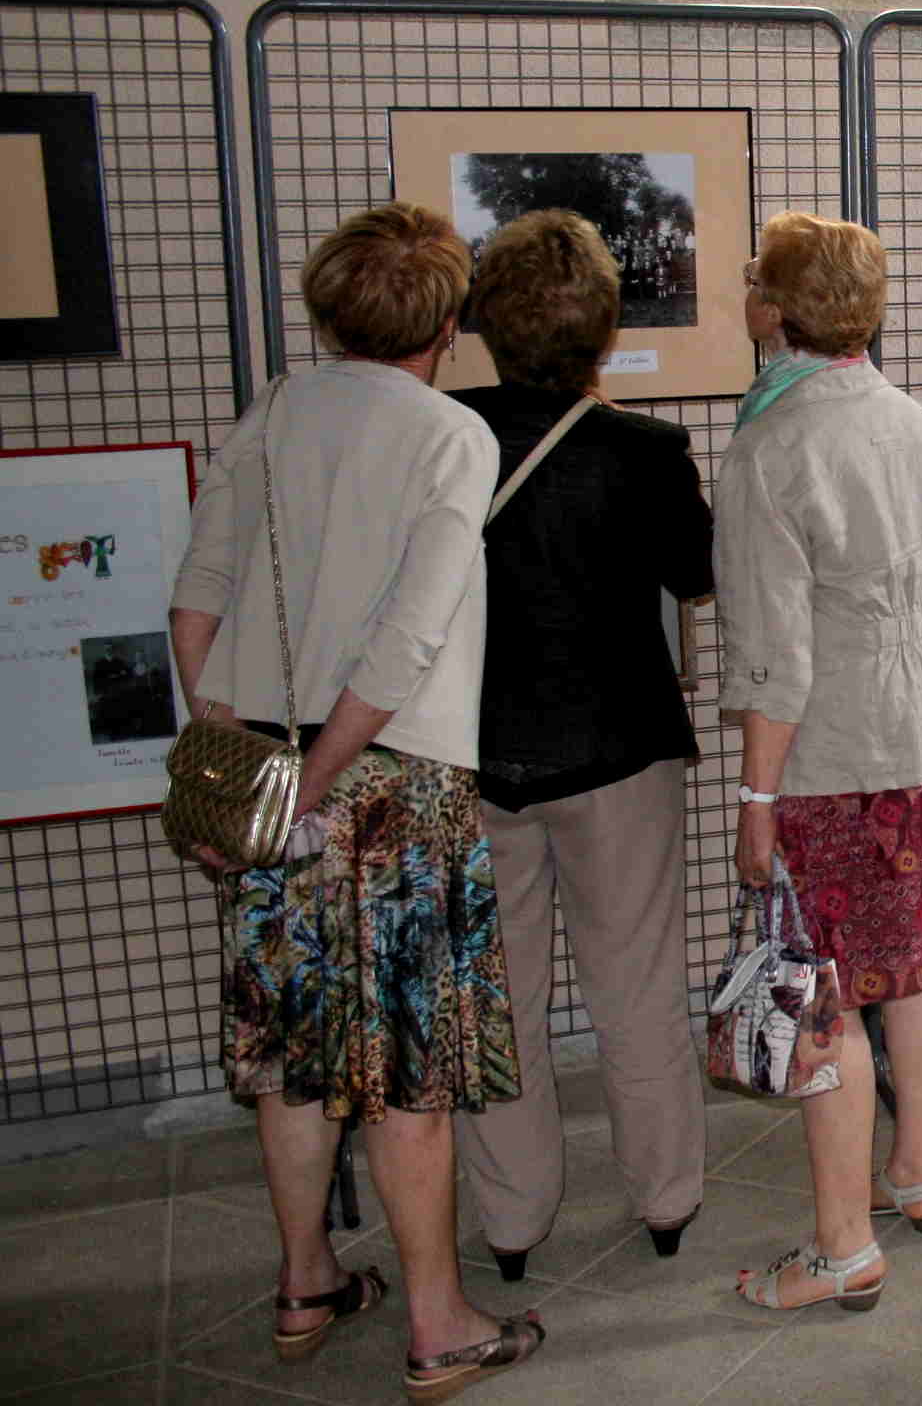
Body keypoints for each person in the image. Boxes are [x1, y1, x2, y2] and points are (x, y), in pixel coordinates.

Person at [167, 203, 545, 1395]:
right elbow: (405, 641)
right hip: (395, 784)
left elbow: (199, 591)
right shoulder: (449, 436)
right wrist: (319, 781)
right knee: (408, 1065)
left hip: (275, 762)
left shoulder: (275, 409)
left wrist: (242, 766)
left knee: (291, 1054)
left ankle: (304, 1280)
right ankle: (437, 1324)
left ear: (332, 307)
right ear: (448, 318)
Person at [718, 213, 922, 1311]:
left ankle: (842, 1245)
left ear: (775, 308)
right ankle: (917, 1169)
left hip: (838, 750)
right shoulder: (916, 424)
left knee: (825, 987)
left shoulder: (771, 446)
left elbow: (772, 656)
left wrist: (756, 800)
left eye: (754, 279)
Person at [446, 211, 715, 1284]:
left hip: (472, 755)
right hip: (621, 750)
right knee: (638, 983)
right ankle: (665, 1200)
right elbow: (696, 572)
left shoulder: (442, 434)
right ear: (603, 329)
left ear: (483, 323)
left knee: (496, 997)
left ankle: (512, 1225)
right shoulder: (644, 450)